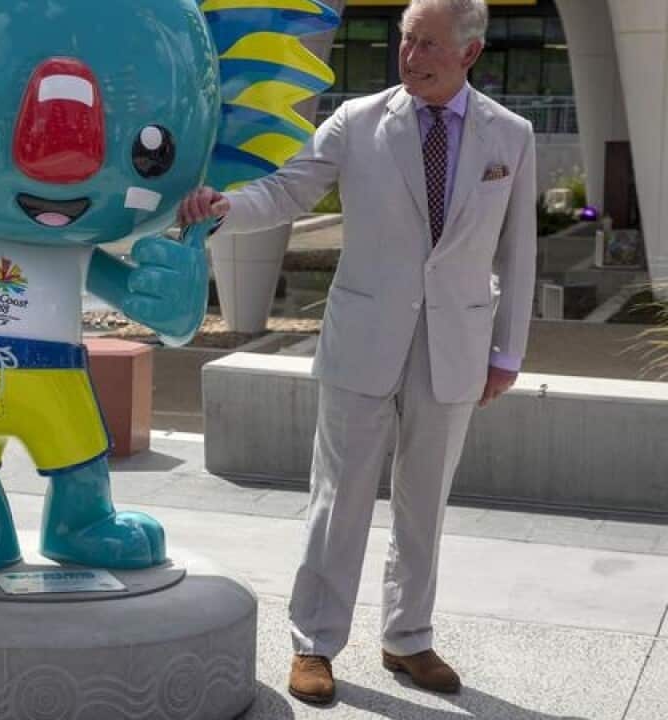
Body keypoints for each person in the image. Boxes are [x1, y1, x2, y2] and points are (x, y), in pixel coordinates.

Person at [180, 0, 535, 705]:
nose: (410, 56)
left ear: (469, 53)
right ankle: (313, 642)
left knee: (424, 501)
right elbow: (290, 190)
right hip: (363, 340)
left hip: (455, 346)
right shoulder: (357, 121)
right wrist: (228, 207)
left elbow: (519, 252)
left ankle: (408, 638)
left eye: (427, 43)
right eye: (405, 40)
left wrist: (507, 354)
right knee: (337, 496)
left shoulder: (512, 135)